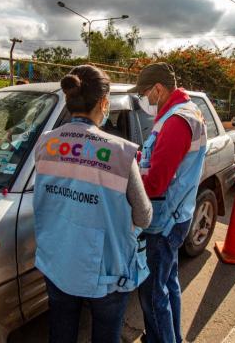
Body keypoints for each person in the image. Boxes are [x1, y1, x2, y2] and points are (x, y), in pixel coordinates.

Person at [32, 65, 153, 343]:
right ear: (103, 102)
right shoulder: (119, 152)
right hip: (106, 273)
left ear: (69, 99)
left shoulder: (45, 144)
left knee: (61, 332)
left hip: (57, 261)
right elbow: (144, 216)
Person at [129, 62, 207, 343]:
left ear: (159, 89)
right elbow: (158, 162)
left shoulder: (176, 121)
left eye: (145, 93)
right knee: (168, 285)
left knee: (151, 294)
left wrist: (124, 183)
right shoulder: (179, 112)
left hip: (164, 221)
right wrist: (135, 160)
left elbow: (155, 183)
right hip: (176, 215)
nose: (144, 99)